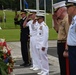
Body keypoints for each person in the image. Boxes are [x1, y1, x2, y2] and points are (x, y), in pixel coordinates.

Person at [52, 1, 69, 75]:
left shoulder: (67, 19)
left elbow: (69, 35)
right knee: (62, 64)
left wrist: (66, 49)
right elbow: (57, 30)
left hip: (64, 43)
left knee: (65, 65)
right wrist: (55, 20)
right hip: (60, 43)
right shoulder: (61, 20)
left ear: (62, 10)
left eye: (56, 11)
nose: (55, 13)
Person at [66, 0, 76, 75]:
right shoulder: (74, 19)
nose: (67, 9)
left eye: (69, 7)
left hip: (75, 49)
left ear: (74, 7)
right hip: (72, 48)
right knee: (72, 69)